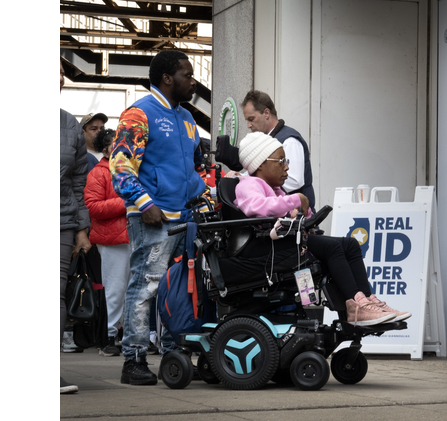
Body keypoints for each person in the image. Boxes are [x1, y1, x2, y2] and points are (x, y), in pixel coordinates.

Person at [232, 132, 410, 324]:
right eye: (281, 161)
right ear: (259, 164)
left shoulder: (275, 189)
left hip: (286, 241)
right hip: (266, 247)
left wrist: (302, 212)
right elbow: (256, 207)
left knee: (350, 244)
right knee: (330, 247)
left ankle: (367, 300)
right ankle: (356, 306)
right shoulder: (248, 184)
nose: (287, 166)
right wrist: (295, 199)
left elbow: (290, 211)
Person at [110, 49, 210, 385]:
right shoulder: (138, 114)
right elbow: (120, 163)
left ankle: (174, 354)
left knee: (179, 289)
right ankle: (134, 359)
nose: (193, 81)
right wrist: (142, 201)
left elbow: (191, 173)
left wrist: (208, 196)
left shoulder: (186, 118)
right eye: (188, 74)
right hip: (153, 218)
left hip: (185, 218)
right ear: (168, 78)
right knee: (145, 287)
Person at [60, 59, 92, 394]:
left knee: (54, 296)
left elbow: (79, 182)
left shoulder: (69, 125)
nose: (60, 77)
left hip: (61, 221)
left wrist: (82, 229)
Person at [84, 128, 128, 357]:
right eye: (115, 144)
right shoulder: (99, 173)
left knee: (125, 289)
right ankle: (109, 336)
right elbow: (92, 206)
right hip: (112, 240)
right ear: (105, 149)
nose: (120, 147)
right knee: (115, 289)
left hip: (126, 237)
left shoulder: (124, 169)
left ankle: (118, 336)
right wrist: (126, 203)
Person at [241, 90, 316, 210]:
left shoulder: (289, 140)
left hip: (299, 222)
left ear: (266, 113)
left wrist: (248, 182)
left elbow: (294, 180)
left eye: (251, 119)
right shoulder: (269, 141)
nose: (248, 125)